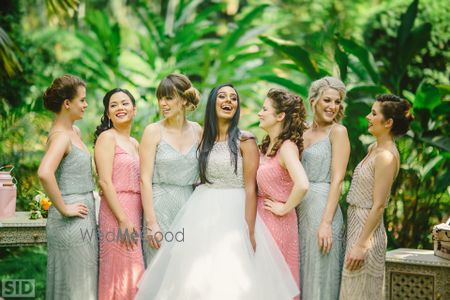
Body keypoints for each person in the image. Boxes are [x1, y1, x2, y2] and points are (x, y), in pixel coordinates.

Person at [135, 84, 299, 300]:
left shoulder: (245, 140)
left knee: (232, 276)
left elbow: (251, 188)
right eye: (222, 96)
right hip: (201, 210)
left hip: (235, 211)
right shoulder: (203, 138)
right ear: (213, 103)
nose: (228, 101)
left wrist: (249, 230)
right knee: (196, 275)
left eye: (233, 98)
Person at [339, 94, 413, 299]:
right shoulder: (374, 148)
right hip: (356, 225)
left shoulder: (386, 157)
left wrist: (362, 244)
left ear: (388, 122)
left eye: (373, 114)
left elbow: (379, 205)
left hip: (367, 233)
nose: (368, 117)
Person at [37, 74, 97, 300]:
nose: (86, 104)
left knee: (82, 282)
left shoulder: (75, 132)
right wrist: (64, 208)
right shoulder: (62, 136)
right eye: (82, 100)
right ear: (67, 104)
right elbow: (44, 172)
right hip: (70, 221)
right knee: (76, 286)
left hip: (83, 215)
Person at [139, 74, 202, 266]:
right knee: (159, 267)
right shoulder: (153, 131)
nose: (162, 103)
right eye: (160, 98)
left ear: (183, 100)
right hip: (160, 207)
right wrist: (151, 223)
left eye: (169, 98)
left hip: (189, 205)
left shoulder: (198, 131)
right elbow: (144, 179)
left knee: (186, 268)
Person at [296, 76, 349, 299]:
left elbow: (338, 179)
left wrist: (326, 223)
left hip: (323, 209)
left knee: (320, 277)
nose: (332, 107)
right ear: (314, 101)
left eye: (337, 102)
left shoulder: (338, 132)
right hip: (299, 209)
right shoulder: (301, 131)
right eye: (327, 100)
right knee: (300, 272)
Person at [257, 88, 309, 298]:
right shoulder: (269, 145)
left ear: (280, 116)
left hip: (278, 224)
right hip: (262, 220)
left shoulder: (287, 147)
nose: (260, 113)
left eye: (264, 109)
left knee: (274, 284)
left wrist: (284, 208)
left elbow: (302, 184)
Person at [94, 88, 144, 299]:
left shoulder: (135, 143)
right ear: (107, 113)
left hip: (135, 210)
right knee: (122, 270)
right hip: (117, 212)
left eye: (124, 103)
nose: (119, 108)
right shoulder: (107, 138)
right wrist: (122, 219)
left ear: (134, 108)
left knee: (134, 272)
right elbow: (104, 181)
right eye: (113, 105)